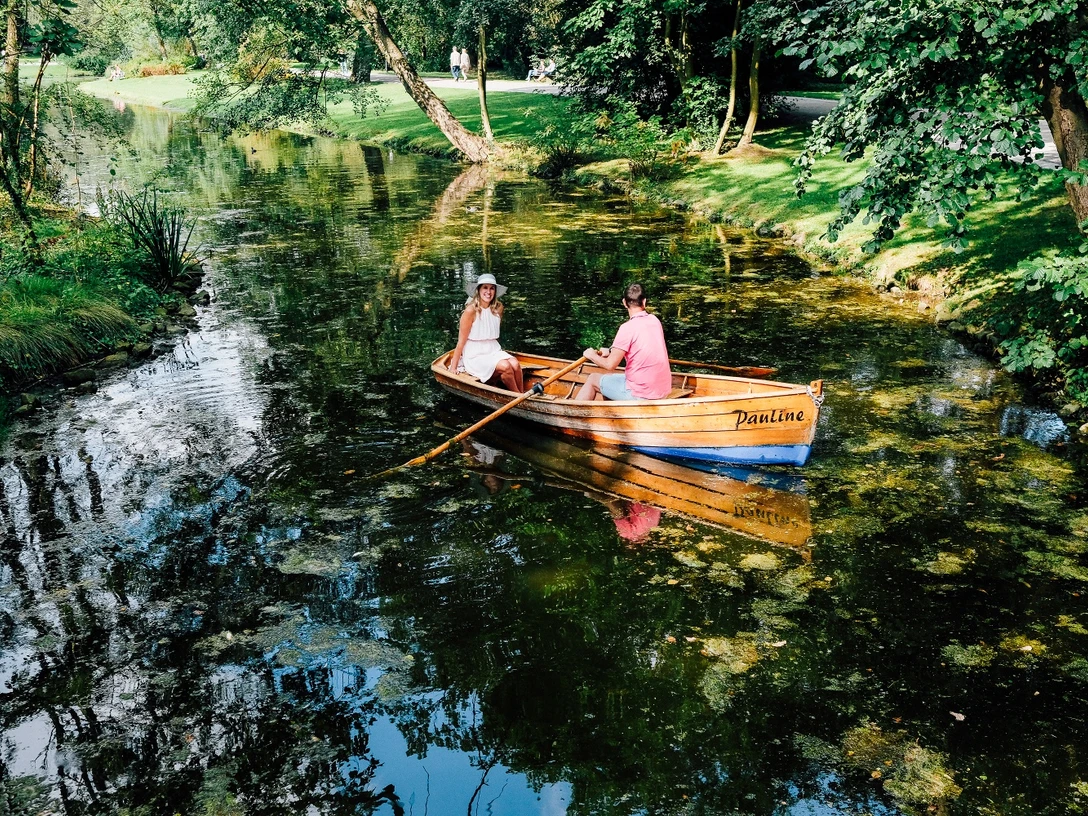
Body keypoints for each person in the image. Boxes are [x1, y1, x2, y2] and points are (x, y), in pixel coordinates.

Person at [575, 282, 671, 401]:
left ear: (624, 303)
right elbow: (635, 345)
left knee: (593, 379)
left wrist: (591, 355)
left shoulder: (626, 328)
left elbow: (610, 365)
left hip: (642, 395)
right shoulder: (654, 320)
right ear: (644, 301)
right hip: (662, 391)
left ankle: (571, 414)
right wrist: (610, 351)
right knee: (610, 378)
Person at [447, 273, 524, 392]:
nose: (488, 292)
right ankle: (518, 397)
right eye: (485, 287)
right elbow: (461, 342)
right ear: (478, 290)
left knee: (515, 364)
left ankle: (522, 393)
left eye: (492, 288)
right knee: (506, 366)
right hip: (475, 355)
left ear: (495, 291)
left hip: (492, 350)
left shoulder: (498, 308)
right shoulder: (470, 311)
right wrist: (453, 367)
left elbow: (490, 332)